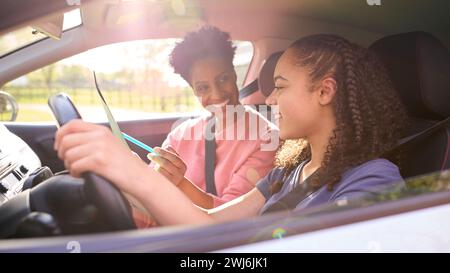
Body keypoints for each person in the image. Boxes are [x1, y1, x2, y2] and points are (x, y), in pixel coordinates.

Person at [54, 34, 408, 226]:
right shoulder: (286, 172)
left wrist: (130, 171)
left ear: (325, 91)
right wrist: (133, 175)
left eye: (281, 86)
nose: (268, 97)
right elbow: (212, 224)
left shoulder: (374, 178)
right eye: (202, 87)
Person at [146, 26, 279, 213]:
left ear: (234, 75)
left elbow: (232, 215)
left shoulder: (268, 138)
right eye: (203, 88)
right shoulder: (181, 134)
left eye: (223, 79)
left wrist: (180, 184)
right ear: (193, 90)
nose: (216, 95)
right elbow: (150, 192)